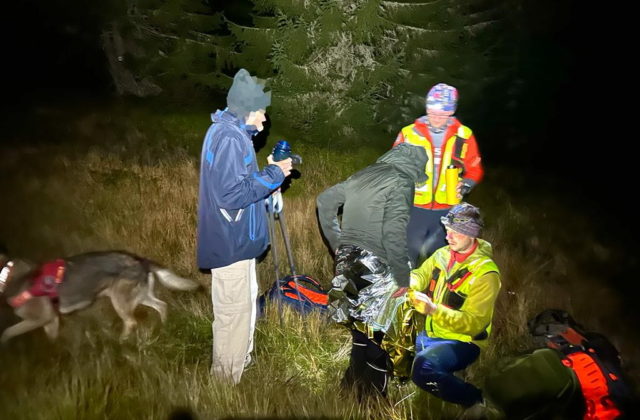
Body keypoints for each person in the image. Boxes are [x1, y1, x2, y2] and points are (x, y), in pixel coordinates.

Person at [196, 68, 292, 384]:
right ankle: (224, 383)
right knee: (232, 314)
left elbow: (241, 184)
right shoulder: (228, 138)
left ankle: (240, 363)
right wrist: (275, 174)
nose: (264, 120)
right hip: (230, 242)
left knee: (243, 308)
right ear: (248, 110)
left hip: (238, 240)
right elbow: (231, 194)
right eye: (262, 113)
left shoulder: (234, 135)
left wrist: (268, 182)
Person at [316, 143, 428, 397]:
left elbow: (324, 201)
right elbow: (393, 232)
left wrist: (339, 243)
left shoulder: (363, 174)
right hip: (376, 262)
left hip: (348, 259)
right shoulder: (402, 180)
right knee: (383, 329)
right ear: (413, 168)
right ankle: (373, 397)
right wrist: (402, 276)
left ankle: (351, 386)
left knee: (361, 322)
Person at [405, 202, 501, 409]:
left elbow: (474, 324)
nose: (448, 236)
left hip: (463, 341)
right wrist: (408, 284)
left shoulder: (486, 274)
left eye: (455, 232)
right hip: (432, 334)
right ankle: (441, 377)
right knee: (398, 348)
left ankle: (477, 400)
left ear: (472, 234)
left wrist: (433, 310)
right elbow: (421, 275)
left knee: (423, 368)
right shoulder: (442, 254)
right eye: (447, 231)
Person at [393, 83, 484, 267]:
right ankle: (401, 294)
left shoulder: (463, 135)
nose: (436, 117)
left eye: (442, 114)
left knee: (439, 262)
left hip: (447, 211)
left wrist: (465, 185)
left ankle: (432, 294)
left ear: (451, 112)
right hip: (413, 208)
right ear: (426, 108)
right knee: (406, 259)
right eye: (432, 111)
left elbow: (475, 169)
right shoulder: (409, 133)